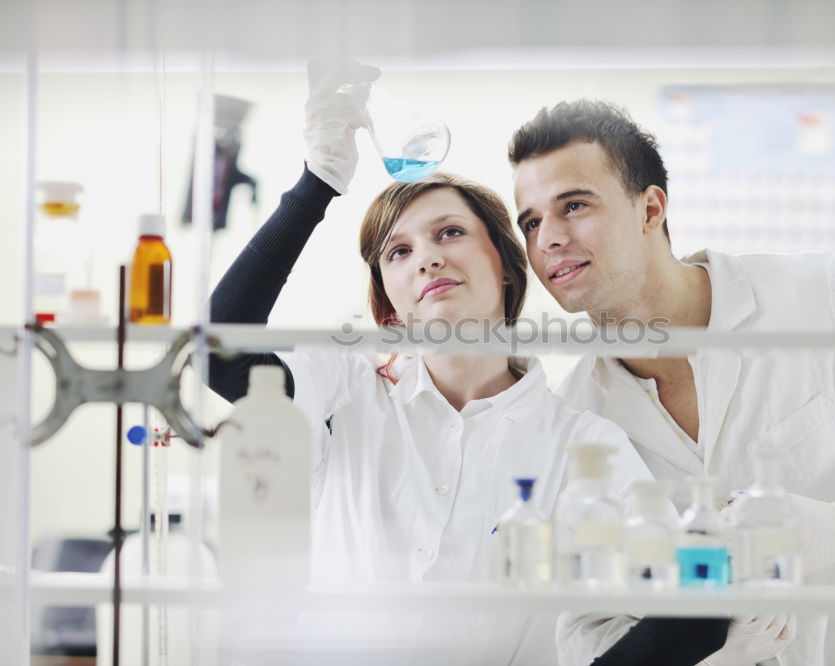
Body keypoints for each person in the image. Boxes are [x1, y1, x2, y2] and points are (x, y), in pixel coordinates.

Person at [207, 62, 730, 665]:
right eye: (398, 251)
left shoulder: (582, 444)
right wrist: (316, 184)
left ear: (507, 265)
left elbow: (699, 610)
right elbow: (215, 354)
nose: (426, 257)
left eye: (450, 232)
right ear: (389, 303)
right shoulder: (344, 388)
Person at [507, 99, 835, 665]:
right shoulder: (572, 418)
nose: (548, 238)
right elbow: (587, 631)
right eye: (531, 221)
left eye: (574, 205)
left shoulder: (825, 296)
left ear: (650, 209)